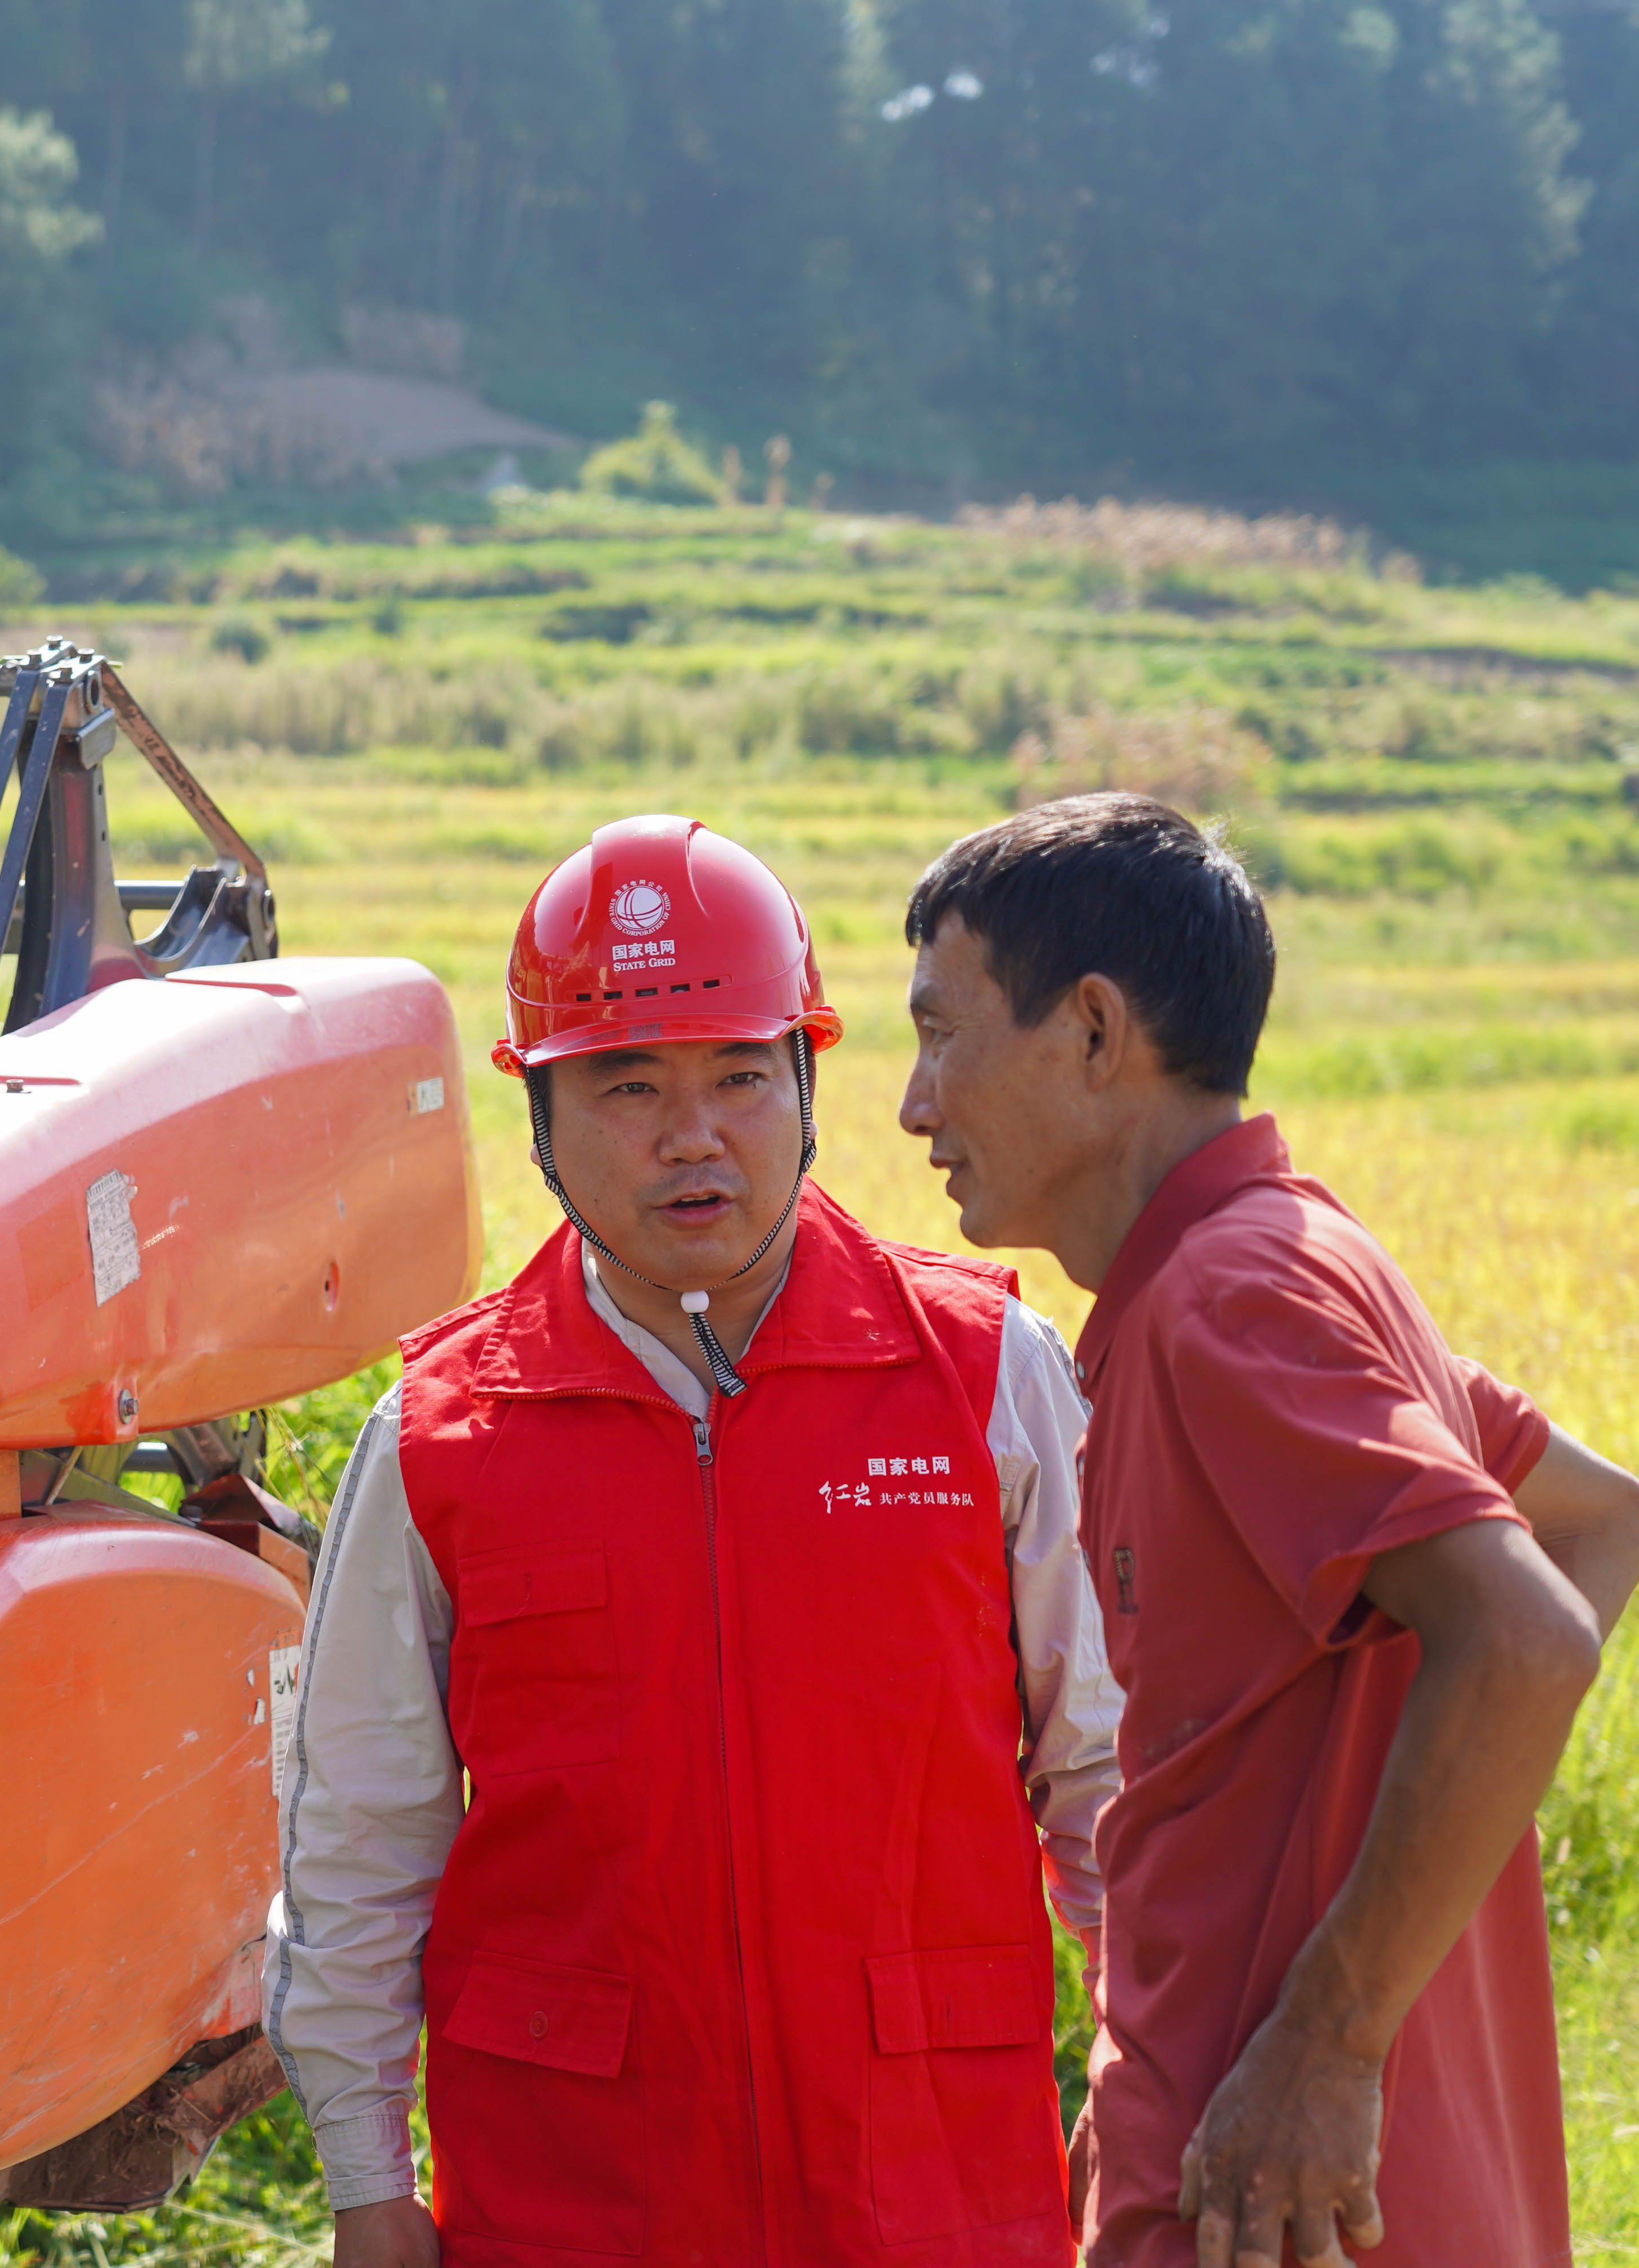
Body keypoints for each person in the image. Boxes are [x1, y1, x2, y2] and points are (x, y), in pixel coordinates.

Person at [266, 815, 1123, 2268]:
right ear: (537, 1115)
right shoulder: (441, 1436)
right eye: (627, 1086)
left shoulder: (987, 1375)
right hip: (572, 2203)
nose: (693, 1136)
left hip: (931, 2195)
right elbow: (362, 1837)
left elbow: (1112, 1787)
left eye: (740, 1075)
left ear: (807, 1083)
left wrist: (1153, 2103)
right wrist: (367, 2180)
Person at [893, 793, 1639, 2268]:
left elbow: (1526, 1633)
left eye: (942, 1035)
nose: (919, 1105)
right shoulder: (1301, 1253)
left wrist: (1331, 2037)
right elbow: (1601, 1521)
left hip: (1282, 2208)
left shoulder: (1226, 1306)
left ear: (1098, 1034)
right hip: (1309, 2167)